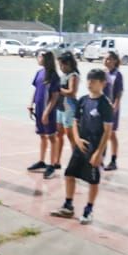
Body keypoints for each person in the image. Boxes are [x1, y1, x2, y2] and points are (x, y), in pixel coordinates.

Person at [53, 69, 115, 224]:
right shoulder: (83, 100)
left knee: (93, 181)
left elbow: (107, 131)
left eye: (94, 81)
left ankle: (89, 209)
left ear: (103, 84)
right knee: (69, 174)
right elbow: (75, 121)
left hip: (95, 148)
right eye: (88, 80)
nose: (90, 84)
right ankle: (68, 205)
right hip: (80, 145)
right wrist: (77, 140)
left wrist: (99, 153)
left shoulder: (105, 105)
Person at [45, 51, 80, 179]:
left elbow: (72, 92)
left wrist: (59, 90)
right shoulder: (63, 75)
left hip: (69, 107)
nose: (60, 67)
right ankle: (57, 161)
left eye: (62, 65)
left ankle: (76, 163)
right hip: (60, 107)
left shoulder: (73, 76)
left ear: (68, 63)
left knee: (71, 135)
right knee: (59, 134)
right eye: (59, 65)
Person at [26, 50, 60, 172]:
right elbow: (36, 90)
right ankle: (41, 161)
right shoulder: (39, 73)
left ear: (46, 59)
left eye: (40, 56)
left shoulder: (53, 76)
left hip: (48, 111)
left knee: (51, 137)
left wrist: (47, 112)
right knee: (42, 136)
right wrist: (31, 104)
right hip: (39, 109)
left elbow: (55, 96)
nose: (38, 58)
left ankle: (52, 164)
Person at [102, 51, 124, 171]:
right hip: (102, 106)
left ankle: (114, 159)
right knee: (102, 132)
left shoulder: (117, 75)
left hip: (112, 107)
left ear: (115, 61)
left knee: (111, 133)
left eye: (109, 59)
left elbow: (119, 92)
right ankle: (101, 157)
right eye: (105, 59)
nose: (107, 61)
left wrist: (115, 105)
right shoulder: (103, 73)